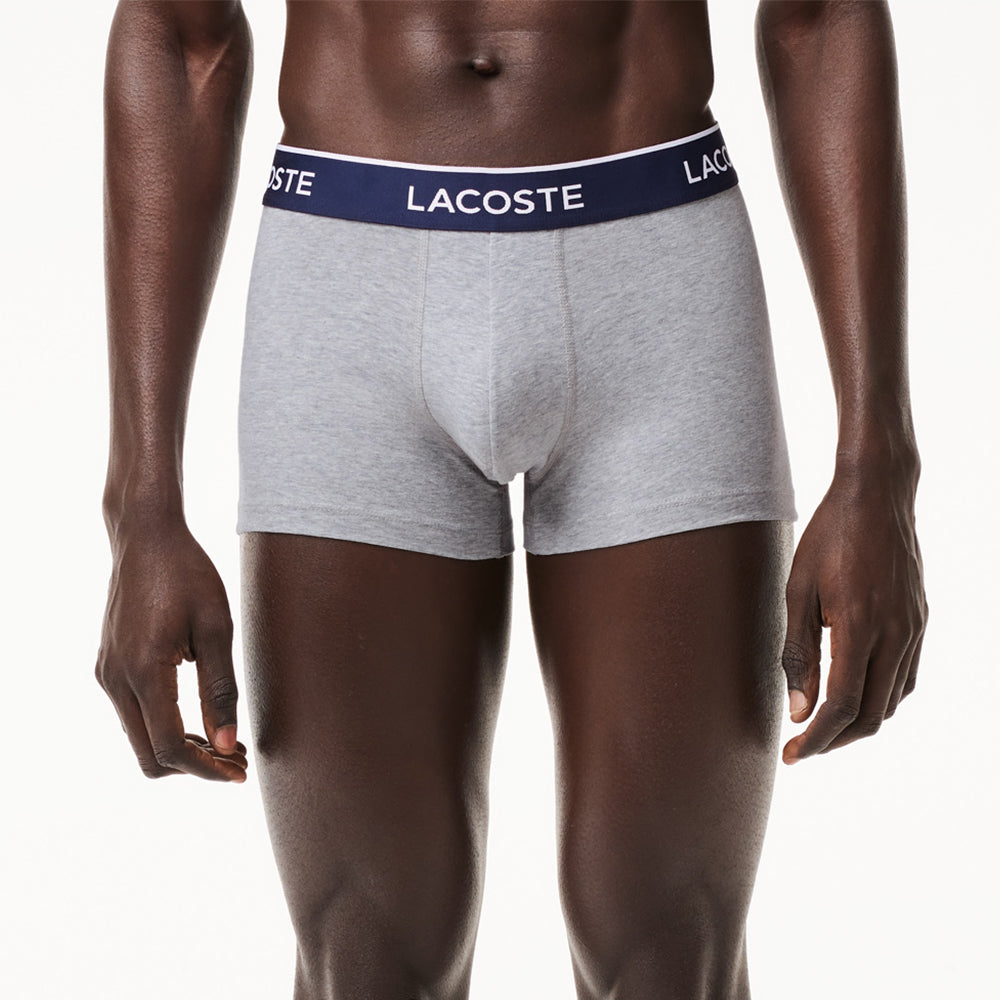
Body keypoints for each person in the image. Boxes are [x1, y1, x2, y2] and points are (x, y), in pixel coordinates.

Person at [95, 2, 927, 998]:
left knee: (672, 951)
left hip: (652, 266)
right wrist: (141, 510)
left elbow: (819, 18)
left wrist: (879, 466)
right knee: (364, 954)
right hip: (350, 271)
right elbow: (181, 34)